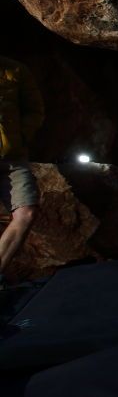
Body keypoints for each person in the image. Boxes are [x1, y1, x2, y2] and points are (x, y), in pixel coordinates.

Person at [0, 56, 44, 280]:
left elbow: (35, 110)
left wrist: (20, 138)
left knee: (26, 212)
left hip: (12, 158)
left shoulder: (15, 69)